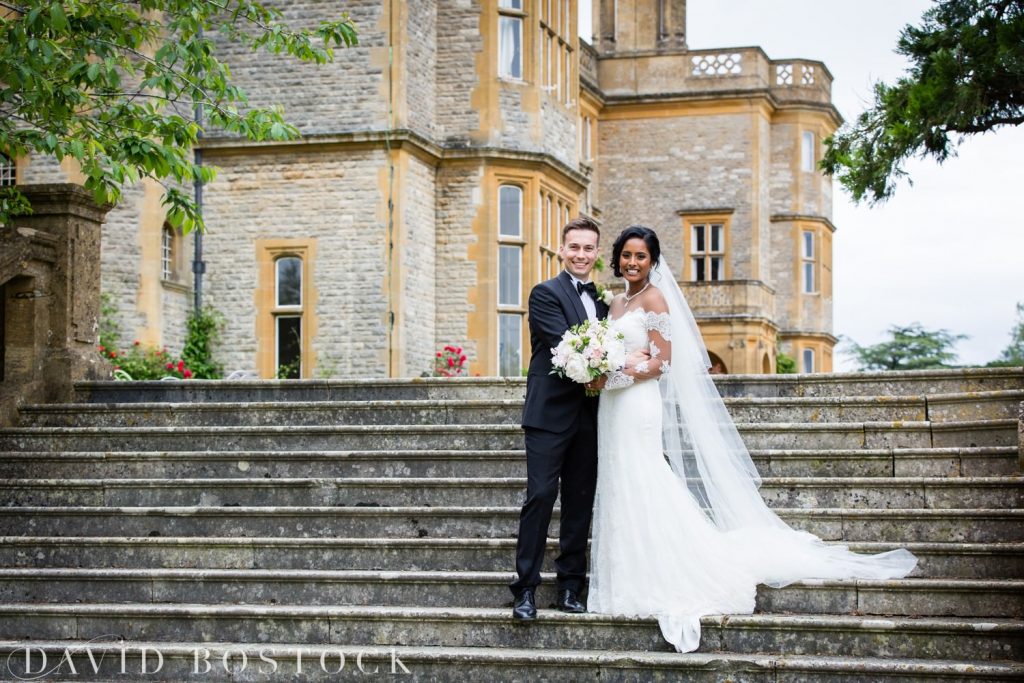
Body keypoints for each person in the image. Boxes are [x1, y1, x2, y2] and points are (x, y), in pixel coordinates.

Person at [589, 225, 918, 652]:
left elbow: (663, 364)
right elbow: (613, 351)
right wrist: (600, 371)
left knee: (644, 478)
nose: (633, 263)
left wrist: (614, 375)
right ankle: (624, 573)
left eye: (641, 256)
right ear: (618, 258)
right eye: (627, 255)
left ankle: (665, 572)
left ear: (653, 261)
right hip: (612, 410)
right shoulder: (615, 302)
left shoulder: (654, 299)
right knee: (619, 483)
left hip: (636, 405)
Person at [510, 216, 616, 621]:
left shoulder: (604, 302)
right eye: (574, 247)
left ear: (596, 254)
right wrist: (611, 363)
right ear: (561, 249)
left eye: (589, 248)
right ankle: (525, 590)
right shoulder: (544, 294)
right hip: (549, 413)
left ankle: (571, 587)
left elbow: (611, 345)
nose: (581, 255)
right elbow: (565, 345)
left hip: (590, 414)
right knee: (539, 497)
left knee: (580, 502)